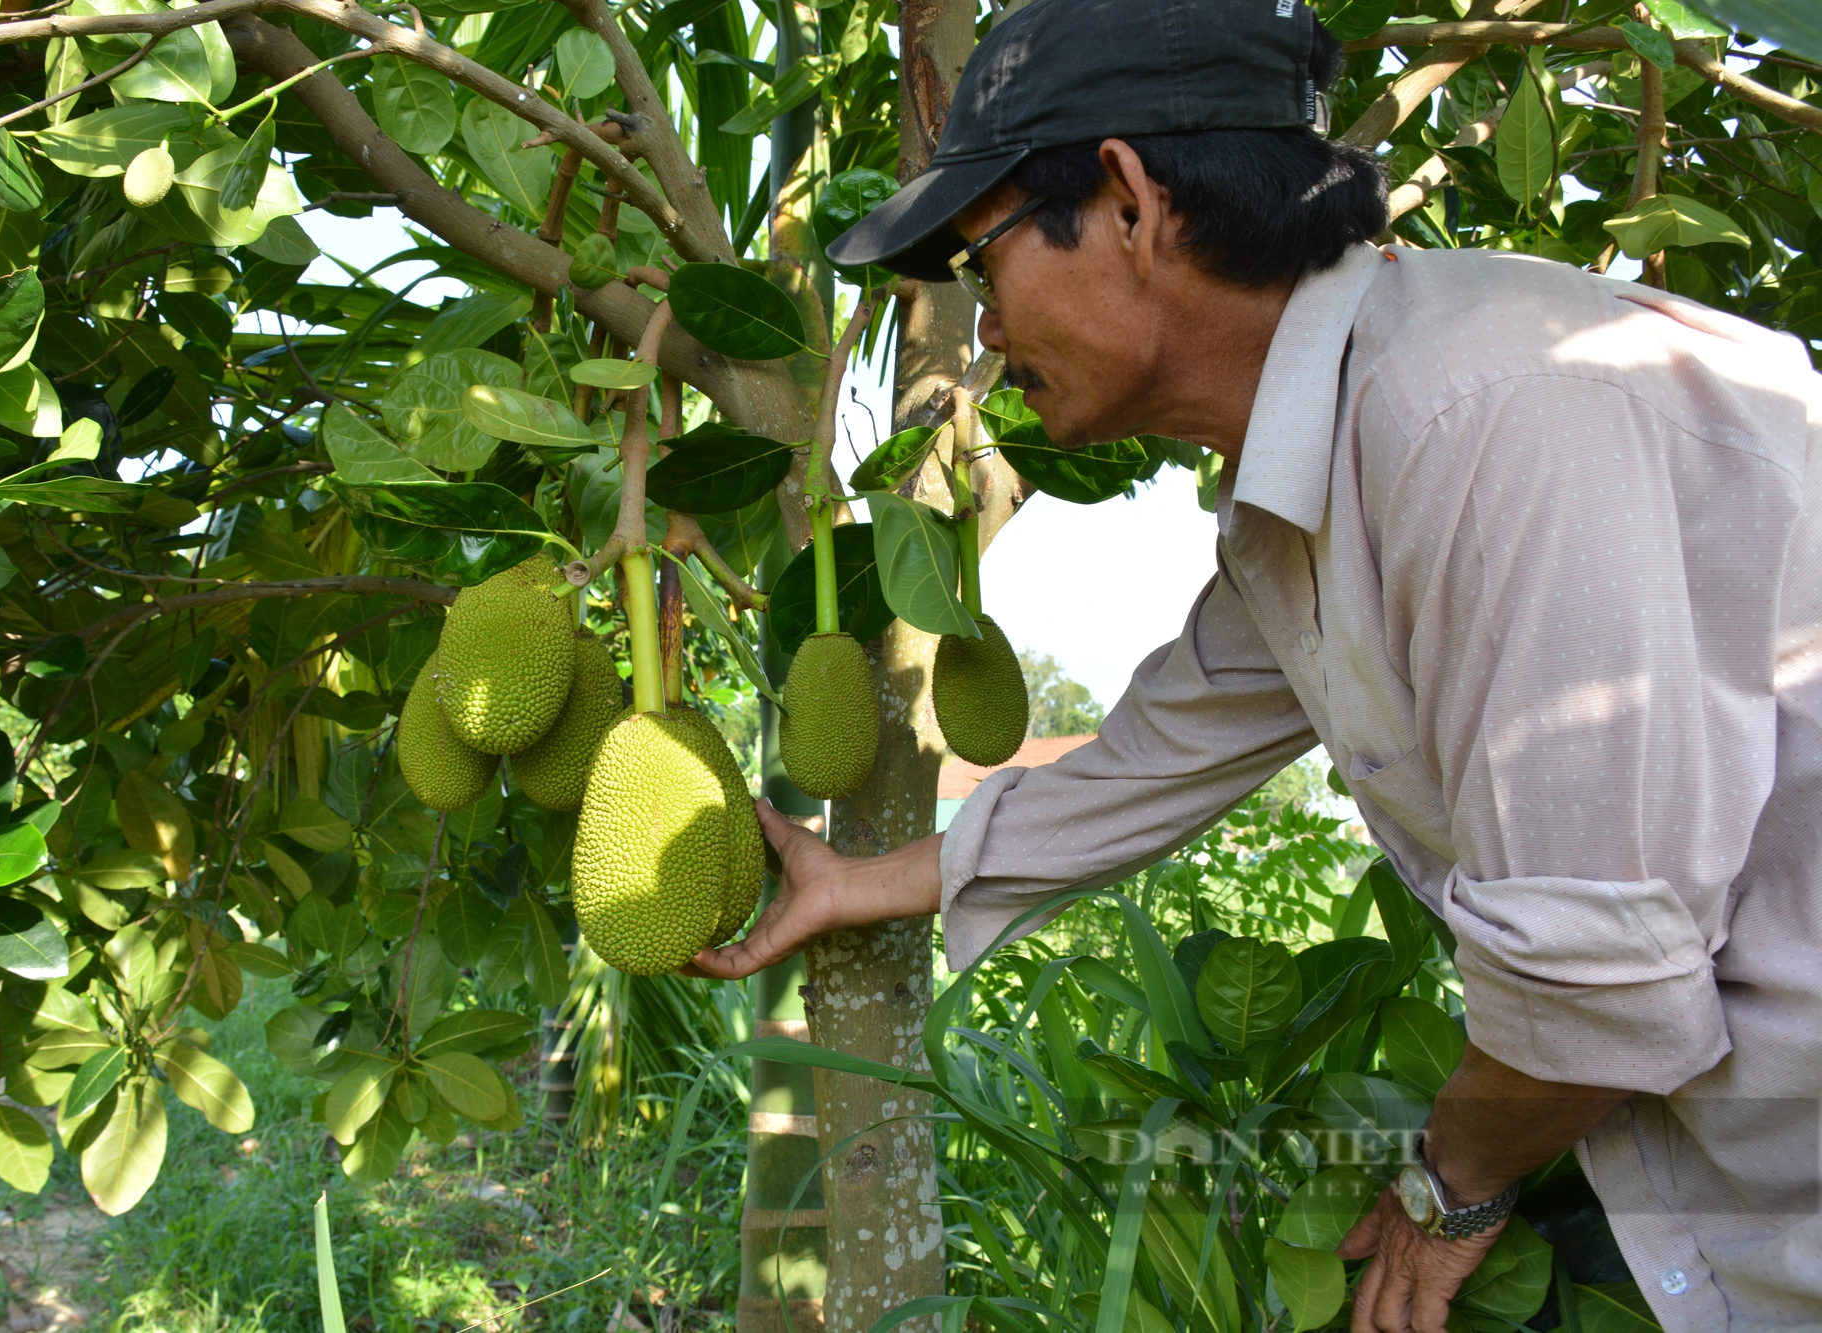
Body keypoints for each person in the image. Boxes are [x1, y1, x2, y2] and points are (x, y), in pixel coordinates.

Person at [683, 0, 1822, 1330]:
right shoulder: (1321, 483)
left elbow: (1594, 978)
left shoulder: (1479, 418)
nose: (981, 330)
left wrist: (1448, 1192)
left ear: (1126, 204)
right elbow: (1152, 757)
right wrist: (861, 882)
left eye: (980, 259)